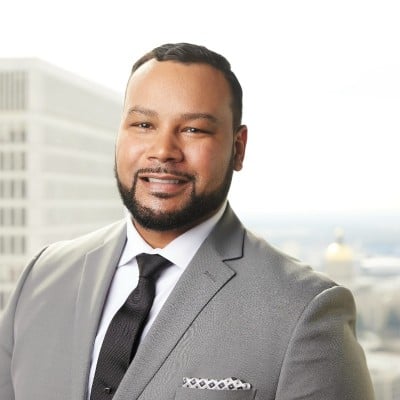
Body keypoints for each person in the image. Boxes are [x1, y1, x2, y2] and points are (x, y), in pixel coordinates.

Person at [0, 43, 374, 400]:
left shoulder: (304, 311)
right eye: (143, 124)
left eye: (194, 129)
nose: (163, 151)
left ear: (238, 148)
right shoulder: (42, 276)